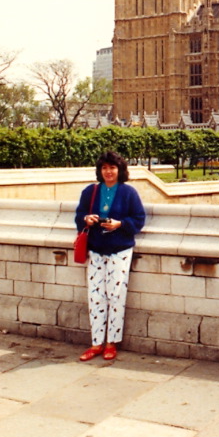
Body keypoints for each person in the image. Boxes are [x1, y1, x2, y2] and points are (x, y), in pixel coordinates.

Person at [75, 150, 146, 362]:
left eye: (112, 168)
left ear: (119, 170)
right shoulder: (90, 191)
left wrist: (120, 224)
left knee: (116, 296)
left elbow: (139, 219)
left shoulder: (129, 193)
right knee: (95, 296)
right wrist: (86, 219)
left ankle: (111, 343)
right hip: (96, 249)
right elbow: (79, 215)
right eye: (104, 168)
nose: (108, 172)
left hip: (119, 250)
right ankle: (96, 343)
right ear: (100, 170)